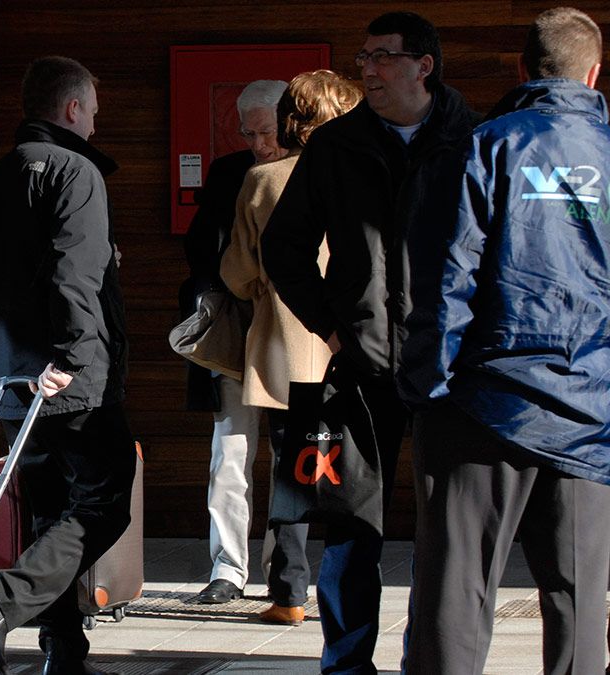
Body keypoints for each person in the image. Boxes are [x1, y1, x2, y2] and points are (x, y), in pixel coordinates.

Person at [261, 12, 475, 673]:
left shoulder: (472, 140)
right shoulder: (337, 146)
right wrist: (330, 325)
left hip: (450, 367)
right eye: (364, 59)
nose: (370, 71)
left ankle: (434, 658)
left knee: (452, 529)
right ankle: (347, 663)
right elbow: (282, 245)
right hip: (360, 360)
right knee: (352, 524)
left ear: (424, 65)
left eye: (383, 58)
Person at [398, 7, 610, 673]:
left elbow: (439, 278)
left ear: (522, 69)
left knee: (457, 594)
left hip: (481, 404)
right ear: (594, 74)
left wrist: (427, 387)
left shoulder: (479, 144)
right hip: (591, 409)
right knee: (579, 599)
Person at [0, 55, 135, 675]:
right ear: (71, 109)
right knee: (104, 498)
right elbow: (76, 276)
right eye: (91, 111)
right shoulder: (77, 172)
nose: (95, 123)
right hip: (72, 375)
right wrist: (74, 355)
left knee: (46, 509)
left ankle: (64, 651)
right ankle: (2, 603)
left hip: (11, 373)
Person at [221, 70, 363, 625]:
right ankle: (351, 591)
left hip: (286, 342)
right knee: (350, 469)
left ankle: (290, 594)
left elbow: (236, 272)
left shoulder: (264, 180)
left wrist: (263, 286)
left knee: (292, 469)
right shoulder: (358, 175)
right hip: (352, 344)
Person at [184, 79, 289, 606]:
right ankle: (228, 567)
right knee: (230, 450)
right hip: (237, 329)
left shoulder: (310, 166)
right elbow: (202, 246)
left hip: (292, 330)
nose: (257, 144)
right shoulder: (228, 172)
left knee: (290, 453)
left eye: (265, 132)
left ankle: (283, 566)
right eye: (248, 133)